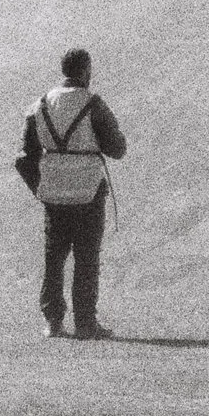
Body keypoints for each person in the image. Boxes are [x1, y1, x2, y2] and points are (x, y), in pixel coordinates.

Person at [22, 47, 128, 340]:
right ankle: (85, 324)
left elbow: (26, 153)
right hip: (88, 191)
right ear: (85, 71)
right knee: (86, 258)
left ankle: (53, 322)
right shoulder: (94, 104)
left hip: (53, 193)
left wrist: (41, 186)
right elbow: (117, 149)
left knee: (53, 258)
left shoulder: (40, 105)